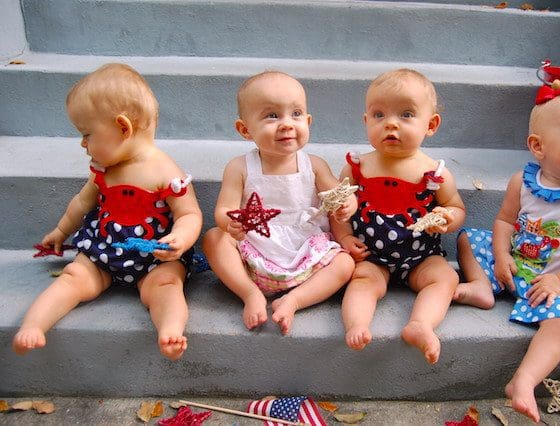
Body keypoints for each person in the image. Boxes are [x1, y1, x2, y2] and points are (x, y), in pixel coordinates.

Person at [12, 63, 203, 361]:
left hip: (154, 258)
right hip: (103, 250)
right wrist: (61, 231)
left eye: (87, 134)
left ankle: (170, 330)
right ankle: (34, 325)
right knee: (73, 276)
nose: (83, 143)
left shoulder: (166, 172)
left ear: (123, 128)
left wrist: (180, 238)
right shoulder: (102, 169)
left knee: (167, 285)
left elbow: (189, 214)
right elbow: (82, 203)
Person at [454, 83, 560, 422]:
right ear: (538, 146)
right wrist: (501, 256)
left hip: (556, 280)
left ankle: (524, 380)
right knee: (468, 239)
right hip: (513, 265)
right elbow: (504, 221)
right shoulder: (523, 181)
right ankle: (482, 286)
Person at [202, 71, 356, 335]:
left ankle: (294, 300)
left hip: (306, 252)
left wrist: (348, 204)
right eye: (272, 115)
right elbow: (224, 209)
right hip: (255, 251)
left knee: (345, 264)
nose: (287, 124)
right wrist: (230, 223)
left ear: (308, 121)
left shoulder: (314, 165)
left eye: (296, 114)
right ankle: (250, 293)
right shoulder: (240, 167)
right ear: (245, 130)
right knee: (214, 238)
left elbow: (339, 193)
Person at [335, 68, 466, 364]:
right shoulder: (357, 168)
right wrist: (344, 236)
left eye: (406, 114)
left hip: (420, 256)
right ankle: (357, 324)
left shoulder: (435, 173)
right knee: (361, 282)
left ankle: (421, 324)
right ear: (366, 121)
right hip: (372, 256)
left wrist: (448, 217)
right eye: (379, 115)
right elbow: (338, 210)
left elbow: (456, 207)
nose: (390, 123)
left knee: (445, 277)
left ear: (430, 125)